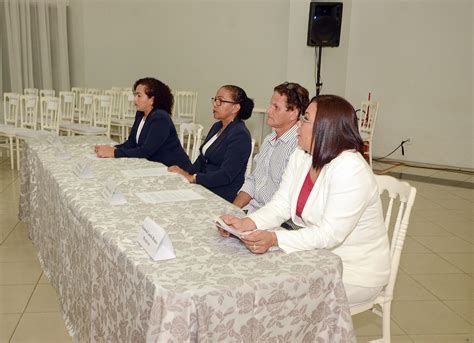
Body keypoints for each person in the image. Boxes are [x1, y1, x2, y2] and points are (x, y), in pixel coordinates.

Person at [220, 95, 390, 306]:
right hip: (315, 256)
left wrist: (275, 239)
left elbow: (330, 234)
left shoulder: (350, 169)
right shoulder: (302, 155)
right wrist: (248, 223)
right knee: (253, 276)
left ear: (325, 127)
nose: (299, 123)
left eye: (306, 119)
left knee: (278, 297)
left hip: (354, 271)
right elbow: (281, 204)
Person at [233, 82, 309, 214]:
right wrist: (233, 209)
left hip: (273, 218)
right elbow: (254, 181)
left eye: (276, 107)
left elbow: (285, 201)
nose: (269, 110)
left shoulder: (298, 148)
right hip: (252, 210)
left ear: (293, 113)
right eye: (270, 105)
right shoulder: (269, 140)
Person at [168, 85, 253, 202]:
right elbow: (203, 159)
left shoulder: (240, 134)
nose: (215, 104)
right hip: (203, 185)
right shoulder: (217, 126)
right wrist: (185, 173)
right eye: (215, 99)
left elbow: (226, 175)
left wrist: (193, 178)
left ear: (235, 108)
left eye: (221, 101)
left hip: (220, 193)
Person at [95, 77, 192, 170]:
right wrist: (111, 148)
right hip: (155, 166)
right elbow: (132, 143)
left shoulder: (160, 118)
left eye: (139, 95)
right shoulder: (140, 114)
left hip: (176, 169)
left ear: (152, 100)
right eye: (135, 95)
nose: (135, 99)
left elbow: (146, 151)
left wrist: (114, 153)